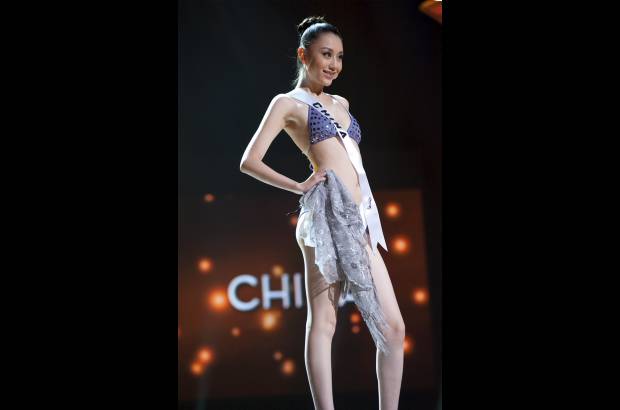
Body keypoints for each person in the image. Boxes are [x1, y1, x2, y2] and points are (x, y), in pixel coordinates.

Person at [239, 16, 405, 410]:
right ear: (304, 55)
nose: (333, 64)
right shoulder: (287, 103)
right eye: (326, 55)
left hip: (360, 219)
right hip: (326, 217)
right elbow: (250, 160)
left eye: (340, 57)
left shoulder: (341, 103)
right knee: (325, 322)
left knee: (394, 328)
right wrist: (299, 185)